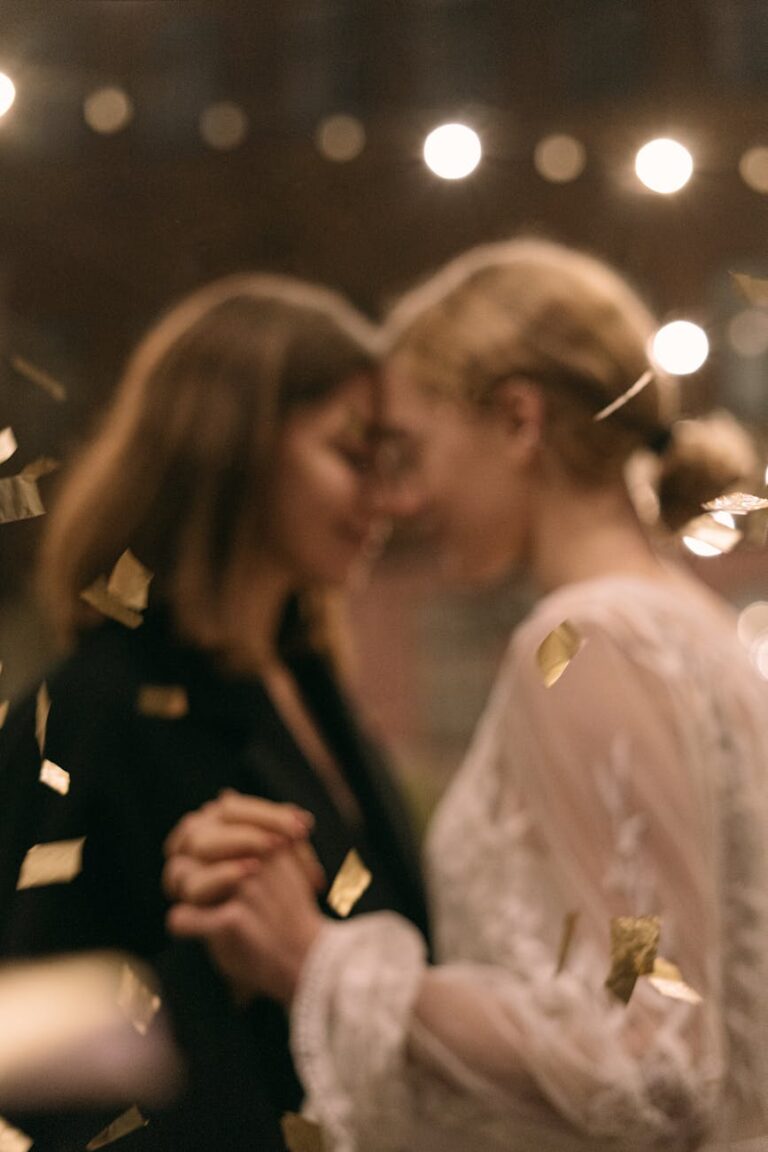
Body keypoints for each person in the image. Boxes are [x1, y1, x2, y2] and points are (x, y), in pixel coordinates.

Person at [163, 239, 768, 1152]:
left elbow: (652, 1057)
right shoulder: (691, 623)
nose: (400, 501)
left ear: (518, 420)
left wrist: (320, 962)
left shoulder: (585, 641)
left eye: (411, 451)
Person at [0, 274, 429, 1152]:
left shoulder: (304, 681)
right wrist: (213, 977)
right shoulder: (89, 713)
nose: (386, 501)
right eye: (354, 455)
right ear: (233, 445)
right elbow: (31, 1054)